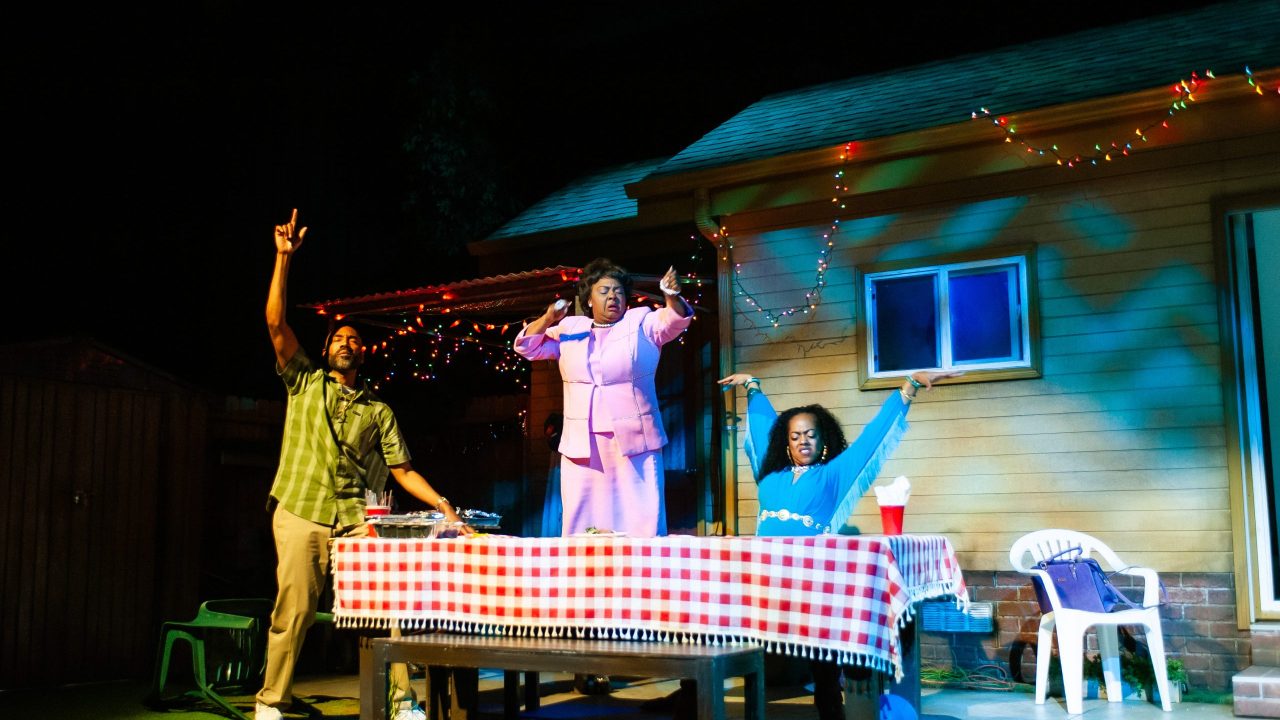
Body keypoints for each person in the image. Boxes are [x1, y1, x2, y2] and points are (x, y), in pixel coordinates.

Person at [257, 209, 465, 720]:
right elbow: (275, 322)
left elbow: (402, 470)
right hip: (301, 511)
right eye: (338, 339)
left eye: (354, 340)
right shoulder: (304, 381)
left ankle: (399, 701)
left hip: (355, 520)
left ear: (363, 353)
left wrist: (445, 507)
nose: (346, 343)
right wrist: (284, 260)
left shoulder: (379, 410)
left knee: (382, 606)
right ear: (326, 350)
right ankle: (271, 701)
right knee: (297, 610)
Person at [717, 369, 960, 720]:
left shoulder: (834, 474)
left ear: (823, 440)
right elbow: (762, 426)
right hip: (766, 581)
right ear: (786, 443)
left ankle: (832, 702)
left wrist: (907, 389)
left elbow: (870, 440)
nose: (803, 441)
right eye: (795, 436)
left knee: (824, 652)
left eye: (810, 435)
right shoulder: (770, 475)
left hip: (812, 583)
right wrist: (754, 387)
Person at [514, 258, 692, 538]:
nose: (613, 296)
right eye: (604, 290)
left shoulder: (642, 323)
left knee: (639, 517)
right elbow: (527, 346)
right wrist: (548, 318)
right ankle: (584, 575)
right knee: (583, 518)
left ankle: (640, 574)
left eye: (619, 291)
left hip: (636, 442)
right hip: (582, 443)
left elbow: (675, 320)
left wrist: (672, 296)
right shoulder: (570, 329)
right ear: (588, 299)